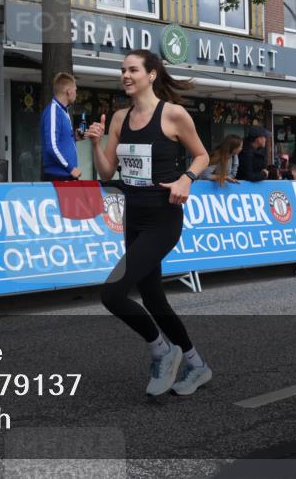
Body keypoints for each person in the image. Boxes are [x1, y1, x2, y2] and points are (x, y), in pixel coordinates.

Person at [85, 49, 210, 397]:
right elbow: (108, 172)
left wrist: (187, 179)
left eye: (133, 70)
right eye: (122, 70)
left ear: (152, 74)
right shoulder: (120, 119)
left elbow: (202, 155)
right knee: (154, 298)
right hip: (133, 218)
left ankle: (162, 350)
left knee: (112, 293)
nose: (125, 75)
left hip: (163, 218)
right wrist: (95, 144)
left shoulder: (173, 115)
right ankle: (196, 364)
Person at [41, 72, 82, 181]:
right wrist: (71, 168)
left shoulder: (62, 111)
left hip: (65, 174)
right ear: (69, 91)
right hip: (59, 175)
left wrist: (74, 137)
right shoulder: (53, 111)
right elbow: (52, 146)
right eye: (75, 90)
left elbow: (58, 142)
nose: (76, 94)